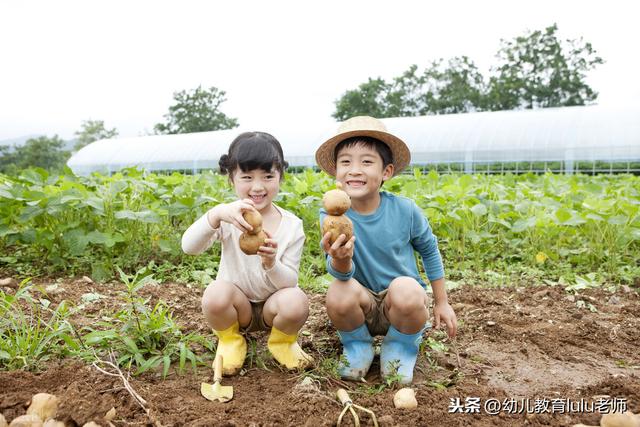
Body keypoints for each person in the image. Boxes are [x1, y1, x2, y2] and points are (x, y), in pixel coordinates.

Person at [315, 116, 457, 384]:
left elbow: (429, 250)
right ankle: (358, 346)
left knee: (406, 288)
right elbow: (342, 275)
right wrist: (341, 260)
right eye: (346, 162)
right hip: (363, 306)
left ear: (386, 172)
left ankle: (401, 347)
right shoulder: (331, 216)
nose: (354, 170)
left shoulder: (406, 210)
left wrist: (442, 302)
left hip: (401, 307)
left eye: (366, 162)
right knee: (337, 291)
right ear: (336, 172)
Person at [182, 131, 313, 375]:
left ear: (280, 176)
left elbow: (290, 281)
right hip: (237, 306)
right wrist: (215, 214)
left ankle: (282, 343)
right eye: (247, 176)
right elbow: (189, 247)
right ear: (231, 179)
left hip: (273, 309)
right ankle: (230, 341)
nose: (257, 186)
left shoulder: (291, 225)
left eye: (267, 176)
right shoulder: (228, 217)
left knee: (296, 300)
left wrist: (271, 262)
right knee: (215, 293)